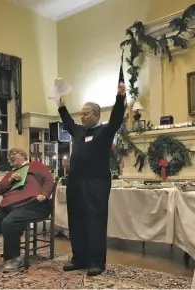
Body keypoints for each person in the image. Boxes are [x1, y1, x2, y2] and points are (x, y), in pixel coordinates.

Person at [57, 83, 126, 276]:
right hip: (75, 182)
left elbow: (116, 119)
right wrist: (60, 104)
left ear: (97, 115)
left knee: (95, 221)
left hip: (96, 183)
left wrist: (120, 98)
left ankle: (97, 262)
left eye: (86, 113)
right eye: (81, 113)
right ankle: (79, 259)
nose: (82, 116)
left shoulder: (105, 131)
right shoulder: (78, 131)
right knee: (76, 220)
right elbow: (68, 121)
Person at [0, 148, 54, 272]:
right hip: (10, 206)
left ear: (23, 154)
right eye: (9, 155)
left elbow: (49, 180)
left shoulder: (36, 165)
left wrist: (44, 194)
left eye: (13, 154)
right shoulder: (10, 174)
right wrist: (10, 180)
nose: (10, 156)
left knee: (10, 222)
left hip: (34, 204)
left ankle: (14, 258)